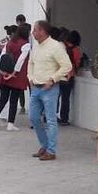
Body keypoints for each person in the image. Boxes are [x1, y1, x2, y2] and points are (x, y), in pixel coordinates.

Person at [26, 19, 72, 161]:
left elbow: (67, 66)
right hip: (36, 87)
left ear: (43, 31)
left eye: (35, 30)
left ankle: (51, 150)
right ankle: (44, 145)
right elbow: (31, 63)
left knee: (51, 120)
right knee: (34, 118)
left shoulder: (56, 46)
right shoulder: (36, 46)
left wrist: (53, 79)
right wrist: (30, 77)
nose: (33, 32)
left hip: (49, 88)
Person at [0, 24, 29, 130]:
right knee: (13, 100)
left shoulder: (10, 42)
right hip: (17, 76)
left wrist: (3, 70)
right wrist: (14, 72)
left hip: (5, 73)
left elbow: (2, 56)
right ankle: (10, 124)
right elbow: (21, 59)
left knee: (2, 99)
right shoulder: (26, 44)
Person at [57, 29, 83, 125]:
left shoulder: (62, 46)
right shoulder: (76, 50)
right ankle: (64, 119)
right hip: (70, 75)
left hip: (60, 75)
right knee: (65, 98)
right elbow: (77, 63)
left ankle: (51, 116)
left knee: (55, 97)